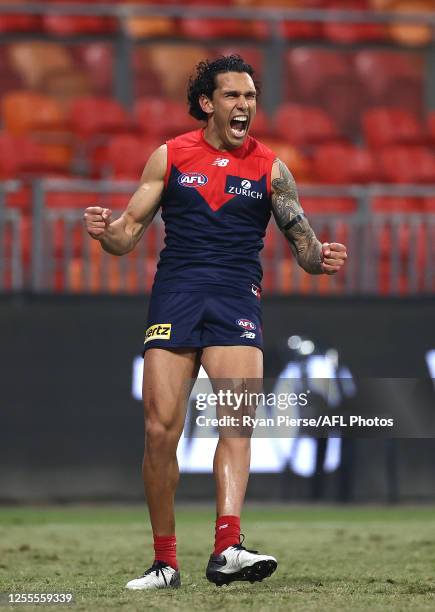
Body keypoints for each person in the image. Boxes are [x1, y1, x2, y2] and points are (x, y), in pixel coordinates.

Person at [83, 55, 347, 590]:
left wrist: (321, 259)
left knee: (238, 422)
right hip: (176, 297)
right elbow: (127, 234)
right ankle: (164, 562)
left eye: (250, 97)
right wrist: (104, 230)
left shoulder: (272, 168)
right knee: (160, 432)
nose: (244, 106)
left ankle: (228, 547)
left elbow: (304, 246)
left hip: (236, 301)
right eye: (233, 96)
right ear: (208, 103)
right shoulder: (170, 156)